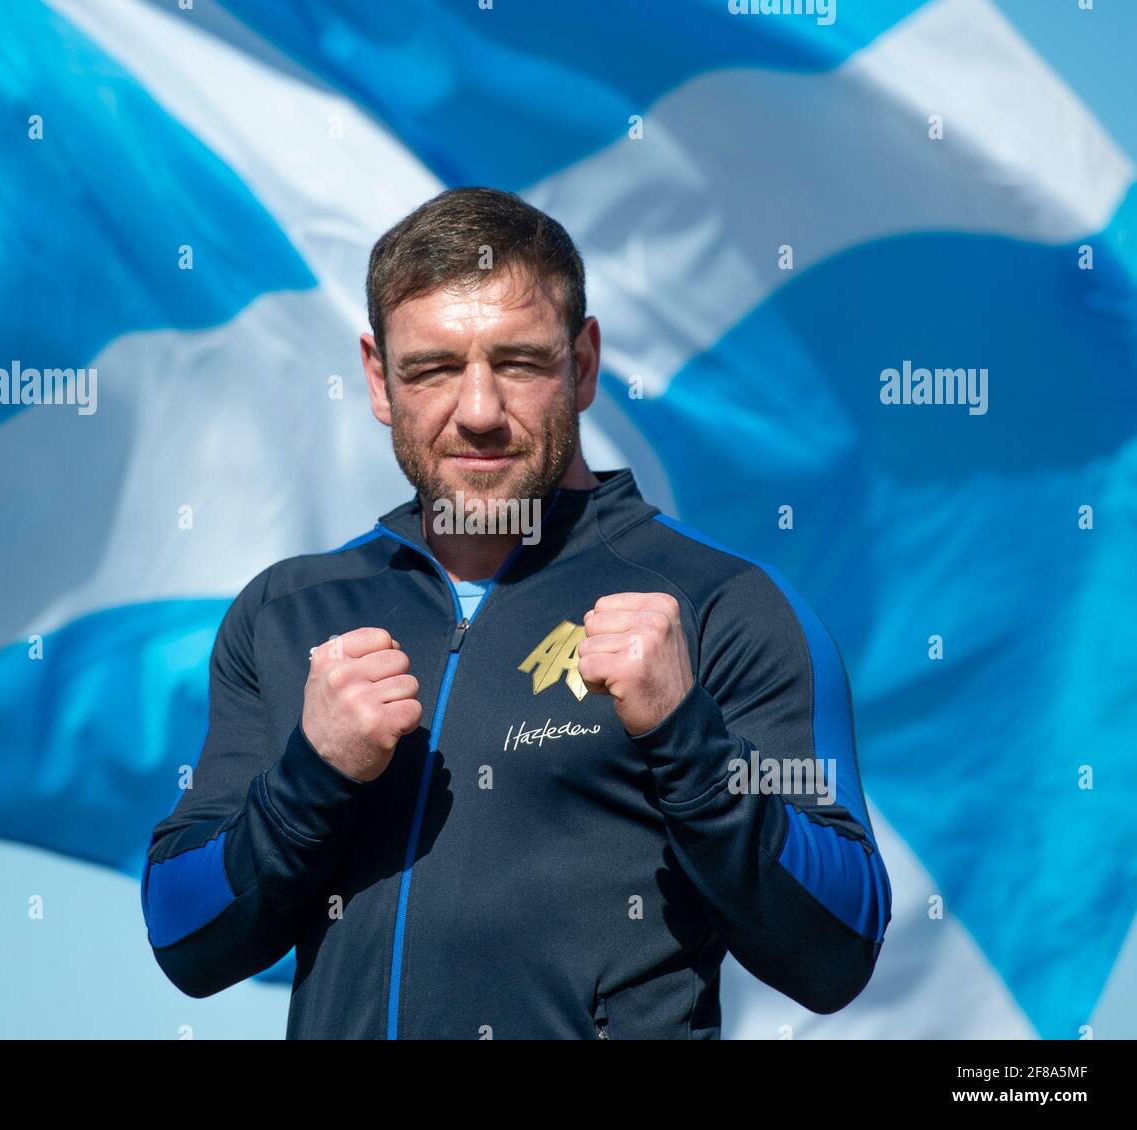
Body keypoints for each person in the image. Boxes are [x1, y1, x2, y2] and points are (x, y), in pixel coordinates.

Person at [141, 187, 891, 1039]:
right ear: (378, 377)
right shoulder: (288, 612)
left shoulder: (720, 606)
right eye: (432, 369)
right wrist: (313, 777)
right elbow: (183, 936)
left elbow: (840, 945)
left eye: (521, 362)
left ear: (584, 364)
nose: (480, 412)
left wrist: (687, 737)